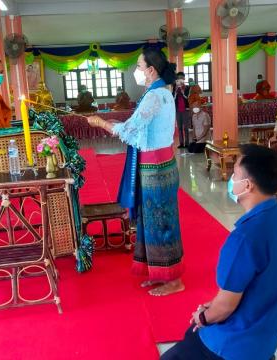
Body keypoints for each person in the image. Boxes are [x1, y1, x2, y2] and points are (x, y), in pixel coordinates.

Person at [161, 145, 277, 360]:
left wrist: (203, 317)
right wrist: (213, 306)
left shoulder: (244, 238)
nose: (231, 179)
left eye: (235, 174)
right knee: (191, 336)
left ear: (248, 185)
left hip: (233, 344)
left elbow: (225, 307)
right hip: (266, 338)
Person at [87, 48, 184, 296]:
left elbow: (130, 131)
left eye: (139, 67)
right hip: (155, 166)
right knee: (150, 221)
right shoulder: (160, 92)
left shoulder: (155, 97)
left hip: (157, 170)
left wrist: (101, 122)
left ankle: (173, 280)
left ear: (151, 70)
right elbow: (138, 129)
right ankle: (158, 272)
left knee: (161, 223)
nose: (137, 71)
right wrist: (110, 124)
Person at [173, 72, 190, 148]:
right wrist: (176, 93)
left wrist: (183, 93)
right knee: (179, 128)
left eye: (181, 78)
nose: (180, 79)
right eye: (178, 78)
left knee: (185, 127)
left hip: (185, 110)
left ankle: (187, 143)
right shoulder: (174, 87)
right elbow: (173, 99)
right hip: (177, 110)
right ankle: (181, 143)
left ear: (184, 79)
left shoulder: (187, 88)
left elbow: (188, 98)